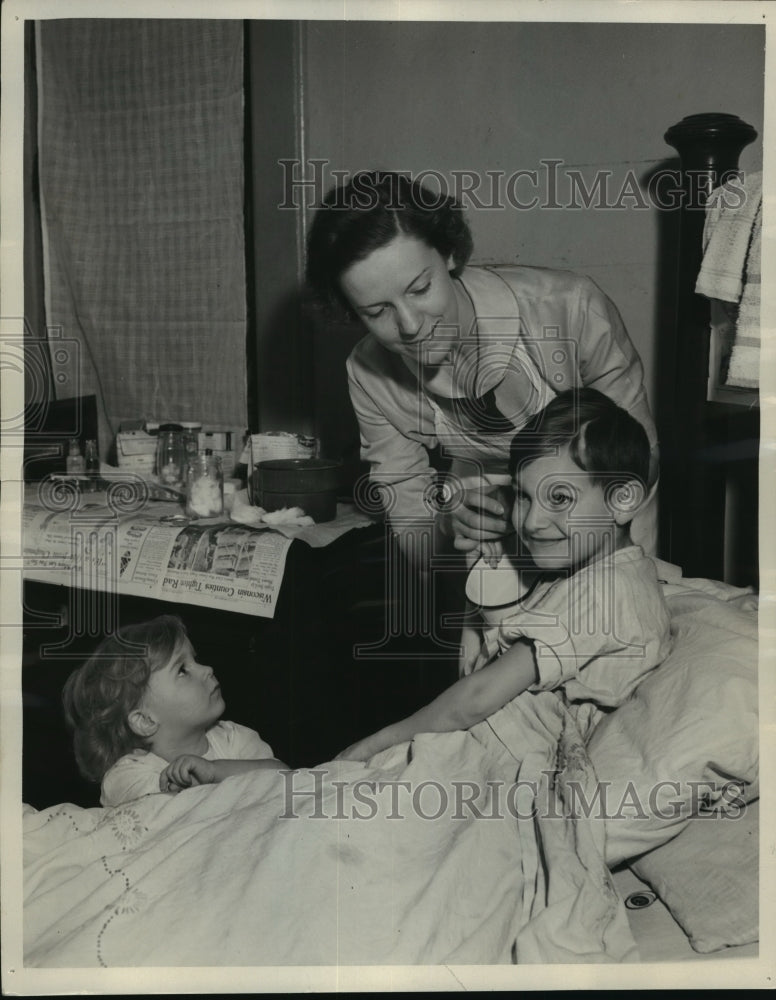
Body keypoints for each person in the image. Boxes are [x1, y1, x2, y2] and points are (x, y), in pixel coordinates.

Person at [306, 172, 658, 580]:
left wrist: (527, 502)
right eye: (376, 312)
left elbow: (640, 457)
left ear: (449, 253)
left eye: (420, 289)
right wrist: (446, 526)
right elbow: (410, 521)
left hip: (609, 539)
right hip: (488, 555)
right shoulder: (370, 376)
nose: (410, 325)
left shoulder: (569, 309)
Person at [336, 389, 671, 762]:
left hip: (501, 761)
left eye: (559, 498)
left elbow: (476, 698)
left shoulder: (603, 593)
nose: (531, 522)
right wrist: (489, 583)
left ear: (622, 499)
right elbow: (477, 665)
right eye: (523, 496)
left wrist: (371, 745)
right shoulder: (589, 570)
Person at [62, 615, 287, 808]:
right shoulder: (126, 776)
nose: (208, 669)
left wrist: (215, 771)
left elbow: (287, 777)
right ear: (144, 720)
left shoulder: (233, 737)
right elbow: (175, 817)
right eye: (182, 670)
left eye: (195, 659)